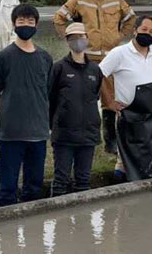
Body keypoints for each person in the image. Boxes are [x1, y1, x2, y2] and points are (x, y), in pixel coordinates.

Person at [53, 0, 136, 156]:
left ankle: (111, 142)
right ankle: (79, 137)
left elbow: (131, 17)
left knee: (110, 100)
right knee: (82, 98)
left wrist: (120, 35)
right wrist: (72, 38)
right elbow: (59, 18)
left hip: (109, 58)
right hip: (86, 58)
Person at [0, 4, 53, 206]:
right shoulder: (4, 57)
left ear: (36, 25)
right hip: (11, 132)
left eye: (30, 21)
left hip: (39, 131)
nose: (26, 25)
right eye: (21, 21)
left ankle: (33, 228)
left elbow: (48, 92)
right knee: (8, 187)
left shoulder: (45, 57)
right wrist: (7, 112)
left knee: (34, 185)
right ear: (14, 24)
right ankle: (7, 229)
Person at [99, 15, 152, 181]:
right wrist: (109, 101)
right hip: (129, 114)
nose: (147, 33)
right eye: (144, 29)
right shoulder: (119, 53)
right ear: (135, 30)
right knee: (125, 158)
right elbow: (100, 74)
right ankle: (120, 193)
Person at [48, 23, 103, 197]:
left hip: (88, 134)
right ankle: (57, 219)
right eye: (73, 38)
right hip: (64, 134)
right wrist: (54, 125)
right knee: (61, 180)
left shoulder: (95, 70)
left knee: (84, 179)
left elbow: (96, 96)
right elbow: (49, 98)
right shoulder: (58, 68)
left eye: (81, 36)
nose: (77, 41)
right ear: (67, 41)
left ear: (87, 38)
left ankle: (82, 222)